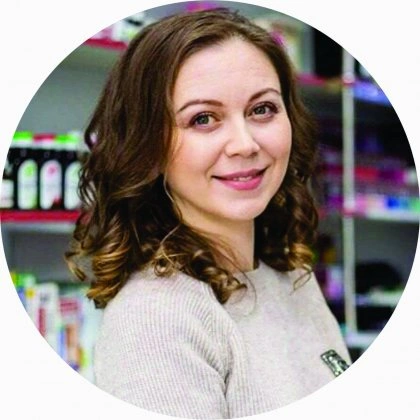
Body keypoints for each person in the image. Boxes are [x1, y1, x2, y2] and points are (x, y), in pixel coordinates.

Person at [66, 7, 351, 419]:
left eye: (262, 109)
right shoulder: (156, 320)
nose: (245, 144)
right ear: (148, 147)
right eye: (203, 119)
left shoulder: (291, 277)